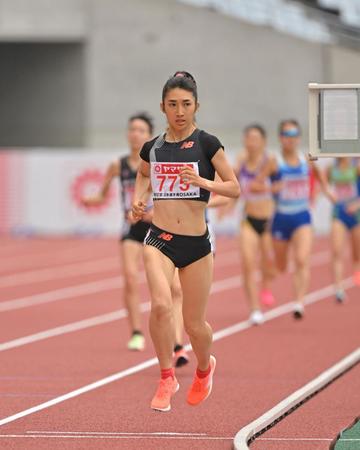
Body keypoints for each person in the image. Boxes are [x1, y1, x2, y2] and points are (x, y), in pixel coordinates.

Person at [132, 71, 240, 412]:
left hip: (196, 245)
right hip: (159, 239)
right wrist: (139, 199)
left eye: (186, 104)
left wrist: (202, 182)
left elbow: (234, 187)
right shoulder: (154, 147)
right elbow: (142, 173)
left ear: (196, 106)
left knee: (195, 325)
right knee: (161, 306)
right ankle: (166, 377)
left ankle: (205, 369)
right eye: (173, 104)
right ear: (162, 107)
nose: (180, 111)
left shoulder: (208, 144)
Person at [82, 112, 154, 351]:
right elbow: (102, 194)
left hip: (156, 226)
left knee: (167, 285)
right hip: (130, 227)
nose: (135, 134)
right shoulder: (118, 165)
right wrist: (90, 200)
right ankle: (136, 332)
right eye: (132, 129)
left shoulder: (156, 163)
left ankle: (173, 335)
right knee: (131, 278)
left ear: (150, 135)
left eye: (141, 130)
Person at [251, 119, 334, 319]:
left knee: (302, 259)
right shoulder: (274, 161)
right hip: (281, 217)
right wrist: (272, 188)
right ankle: (268, 280)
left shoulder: (306, 159)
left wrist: (326, 193)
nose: (291, 139)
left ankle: (299, 303)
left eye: (295, 135)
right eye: (287, 135)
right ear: (281, 138)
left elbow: (320, 175)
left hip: (302, 216)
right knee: (281, 266)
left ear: (299, 138)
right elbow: (255, 185)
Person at [234, 124, 275, 325]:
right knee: (248, 264)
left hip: (269, 220)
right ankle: (254, 308)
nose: (251, 142)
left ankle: (266, 286)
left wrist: (264, 187)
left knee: (268, 263)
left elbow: (283, 185)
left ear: (263, 142)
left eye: (256, 138)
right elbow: (234, 184)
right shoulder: (241, 160)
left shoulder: (271, 161)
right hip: (248, 219)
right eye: (248, 138)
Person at [326, 158, 360, 301]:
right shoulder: (331, 168)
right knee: (336, 250)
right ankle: (338, 287)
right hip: (338, 212)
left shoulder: (356, 167)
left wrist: (357, 205)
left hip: (356, 213)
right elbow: (323, 184)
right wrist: (329, 195)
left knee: (356, 250)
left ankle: (357, 270)